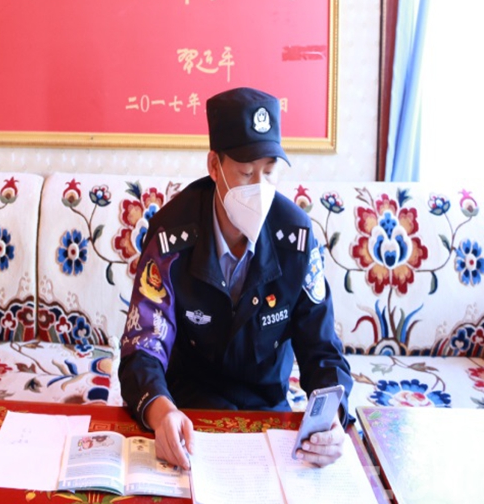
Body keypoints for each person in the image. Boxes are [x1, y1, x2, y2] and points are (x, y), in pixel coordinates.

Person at [118, 87, 352, 470]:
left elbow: (322, 348)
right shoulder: (170, 236)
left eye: (269, 172)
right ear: (214, 166)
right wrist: (161, 413)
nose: (260, 187)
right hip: (186, 410)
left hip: (267, 410)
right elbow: (143, 343)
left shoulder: (296, 239)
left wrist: (332, 420)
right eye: (246, 172)